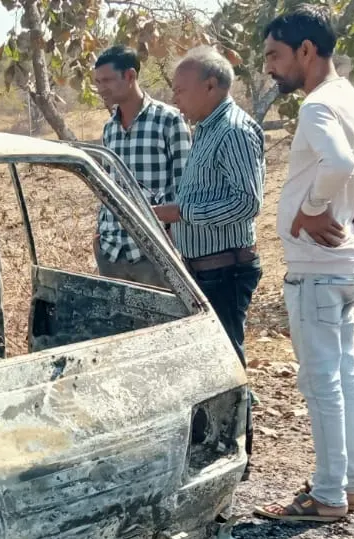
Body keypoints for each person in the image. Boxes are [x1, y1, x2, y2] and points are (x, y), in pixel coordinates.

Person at [253, 5, 354, 523]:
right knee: (343, 376)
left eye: (275, 56)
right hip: (344, 269)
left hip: (317, 270)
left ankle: (326, 495)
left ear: (306, 50)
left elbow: (343, 162)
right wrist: (349, 198)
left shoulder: (318, 105)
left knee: (321, 381)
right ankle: (350, 485)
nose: (270, 68)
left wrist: (316, 208)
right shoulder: (352, 99)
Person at [152, 46, 266, 365]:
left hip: (225, 271)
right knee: (209, 360)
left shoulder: (233, 131)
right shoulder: (206, 129)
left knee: (224, 361)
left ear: (211, 85)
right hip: (205, 270)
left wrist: (182, 213)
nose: (175, 100)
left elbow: (246, 202)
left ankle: (237, 416)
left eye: (180, 91)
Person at [92, 45, 191, 286]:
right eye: (97, 81)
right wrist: (99, 233)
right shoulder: (110, 128)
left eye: (106, 80)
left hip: (153, 251)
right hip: (112, 250)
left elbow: (185, 185)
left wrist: (171, 240)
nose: (100, 88)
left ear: (130, 76)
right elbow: (107, 184)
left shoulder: (168, 120)